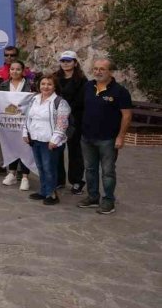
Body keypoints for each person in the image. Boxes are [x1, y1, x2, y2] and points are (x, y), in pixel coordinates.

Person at [77, 58, 132, 215]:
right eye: (95, 69)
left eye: (102, 69)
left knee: (108, 172)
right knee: (90, 169)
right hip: (87, 137)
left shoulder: (120, 91)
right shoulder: (88, 86)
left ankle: (108, 201)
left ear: (110, 72)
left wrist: (120, 137)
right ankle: (93, 197)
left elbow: (126, 116)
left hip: (108, 139)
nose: (98, 72)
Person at [21, 74, 71, 205]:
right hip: (36, 139)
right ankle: (43, 191)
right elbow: (28, 117)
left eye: (49, 84)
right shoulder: (34, 99)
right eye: (43, 84)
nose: (45, 86)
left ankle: (52, 194)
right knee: (41, 167)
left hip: (50, 142)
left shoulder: (59, 102)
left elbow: (62, 123)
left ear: (55, 86)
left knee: (49, 169)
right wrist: (25, 133)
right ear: (39, 85)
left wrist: (55, 140)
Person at [0, 60, 34, 191]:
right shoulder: (3, 85)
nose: (15, 71)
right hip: (10, 123)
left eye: (18, 69)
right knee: (11, 146)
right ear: (9, 70)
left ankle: (24, 176)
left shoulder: (30, 85)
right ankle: (11, 173)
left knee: (25, 147)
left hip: (24, 122)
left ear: (23, 71)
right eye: (12, 69)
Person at [53, 50, 87, 194]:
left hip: (74, 120)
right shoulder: (55, 78)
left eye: (68, 61)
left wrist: (66, 110)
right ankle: (58, 179)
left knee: (75, 152)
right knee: (56, 148)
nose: (65, 64)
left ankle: (76, 181)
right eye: (63, 61)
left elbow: (81, 101)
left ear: (75, 63)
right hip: (56, 118)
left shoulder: (82, 80)